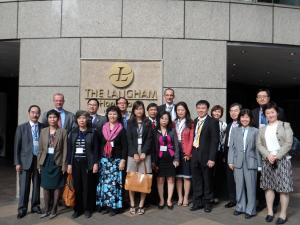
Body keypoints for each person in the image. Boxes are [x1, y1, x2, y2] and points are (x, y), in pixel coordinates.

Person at [256, 102, 293, 224]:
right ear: (265, 115)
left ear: (277, 113)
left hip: (282, 160)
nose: (270, 114)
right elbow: (259, 145)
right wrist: (268, 155)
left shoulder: (285, 125)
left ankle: (283, 214)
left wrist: (277, 156)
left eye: (272, 112)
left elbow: (288, 143)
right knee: (268, 187)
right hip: (267, 161)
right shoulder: (262, 129)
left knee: (283, 189)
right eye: (267, 113)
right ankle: (270, 212)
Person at [252, 88, 286, 212]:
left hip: (274, 150)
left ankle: (276, 203)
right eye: (259, 96)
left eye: (264, 96)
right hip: (259, 149)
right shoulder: (253, 112)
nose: (261, 98)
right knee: (261, 177)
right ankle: (262, 201)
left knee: (276, 176)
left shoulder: (279, 111)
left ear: (268, 98)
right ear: (256, 99)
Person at [228, 109, 260, 219]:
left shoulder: (255, 131)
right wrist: (230, 161)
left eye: (247, 117)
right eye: (242, 117)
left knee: (251, 186)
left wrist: (259, 164)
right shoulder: (235, 130)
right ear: (239, 118)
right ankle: (240, 206)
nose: (244, 119)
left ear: (250, 118)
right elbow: (231, 147)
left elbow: (258, 149)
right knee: (239, 186)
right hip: (237, 162)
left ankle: (251, 210)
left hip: (251, 162)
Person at [67, 110, 99, 218]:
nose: (82, 120)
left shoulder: (93, 132)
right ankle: (77, 209)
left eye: (84, 118)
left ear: (87, 120)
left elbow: (96, 150)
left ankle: (88, 209)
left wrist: (95, 163)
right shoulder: (73, 132)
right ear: (76, 120)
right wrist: (69, 164)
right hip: (76, 163)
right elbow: (70, 150)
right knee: (78, 187)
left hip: (88, 163)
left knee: (88, 187)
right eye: (80, 118)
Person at [96, 106, 127, 216]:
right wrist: (99, 159)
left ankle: (115, 207)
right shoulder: (103, 128)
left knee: (114, 184)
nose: (112, 116)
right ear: (107, 115)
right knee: (104, 183)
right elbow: (99, 145)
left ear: (118, 115)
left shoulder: (121, 129)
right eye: (110, 114)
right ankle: (105, 205)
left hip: (116, 161)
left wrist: (123, 160)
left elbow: (125, 147)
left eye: (114, 114)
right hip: (105, 161)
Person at [14, 105, 44, 219]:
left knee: (36, 185)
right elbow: (17, 147)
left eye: (37, 113)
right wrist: (17, 162)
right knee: (24, 186)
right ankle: (22, 208)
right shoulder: (21, 128)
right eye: (33, 112)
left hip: (39, 160)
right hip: (24, 161)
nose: (35, 115)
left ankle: (35, 206)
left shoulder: (43, 127)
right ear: (29, 113)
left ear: (39, 114)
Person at [190, 100, 219, 213]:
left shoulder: (212, 122)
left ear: (207, 109)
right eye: (199, 108)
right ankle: (197, 202)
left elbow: (214, 141)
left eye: (203, 108)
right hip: (195, 153)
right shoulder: (195, 121)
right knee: (196, 180)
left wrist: (212, 158)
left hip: (206, 156)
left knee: (207, 180)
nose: (200, 110)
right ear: (196, 109)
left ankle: (208, 203)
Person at [38, 110, 67, 219]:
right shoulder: (43, 131)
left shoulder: (63, 131)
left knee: (56, 186)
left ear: (58, 119)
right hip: (45, 161)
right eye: (50, 117)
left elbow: (65, 150)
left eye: (54, 117)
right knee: (45, 186)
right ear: (48, 119)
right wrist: (39, 164)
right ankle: (46, 209)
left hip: (57, 161)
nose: (52, 119)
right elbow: (40, 149)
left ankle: (54, 209)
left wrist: (64, 164)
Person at [126, 101, 153, 215]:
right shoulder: (129, 122)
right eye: (136, 109)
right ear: (133, 110)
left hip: (144, 154)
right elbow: (129, 139)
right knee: (131, 178)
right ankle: (132, 204)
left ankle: (141, 205)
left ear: (144, 110)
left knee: (144, 179)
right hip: (133, 153)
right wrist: (134, 153)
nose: (139, 111)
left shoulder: (148, 122)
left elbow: (149, 139)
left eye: (141, 108)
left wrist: (144, 152)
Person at [153, 111, 180, 209]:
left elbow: (176, 146)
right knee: (160, 180)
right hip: (159, 159)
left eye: (166, 118)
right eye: (162, 118)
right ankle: (161, 200)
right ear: (158, 119)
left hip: (170, 159)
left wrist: (176, 159)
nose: (164, 120)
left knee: (170, 179)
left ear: (169, 120)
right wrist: (154, 162)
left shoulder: (172, 131)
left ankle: (169, 200)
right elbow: (153, 148)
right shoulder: (155, 131)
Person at [174, 102, 194, 207]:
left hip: (185, 151)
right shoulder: (173, 122)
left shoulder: (190, 123)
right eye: (178, 110)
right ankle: (180, 197)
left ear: (186, 110)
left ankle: (186, 197)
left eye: (182, 110)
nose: (180, 112)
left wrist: (188, 153)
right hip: (175, 152)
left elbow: (191, 139)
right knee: (178, 177)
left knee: (186, 176)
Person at [223, 103, 242, 208]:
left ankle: (241, 200)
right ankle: (232, 199)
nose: (233, 113)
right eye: (231, 111)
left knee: (240, 179)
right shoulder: (229, 125)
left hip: (239, 155)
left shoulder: (243, 124)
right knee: (230, 179)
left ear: (240, 112)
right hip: (228, 154)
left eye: (236, 110)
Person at [210, 105, 227, 203]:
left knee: (217, 175)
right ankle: (209, 194)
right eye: (215, 111)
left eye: (219, 112)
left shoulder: (223, 124)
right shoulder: (207, 122)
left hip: (219, 152)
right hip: (209, 152)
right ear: (212, 112)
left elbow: (224, 140)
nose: (217, 113)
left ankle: (216, 195)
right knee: (209, 174)